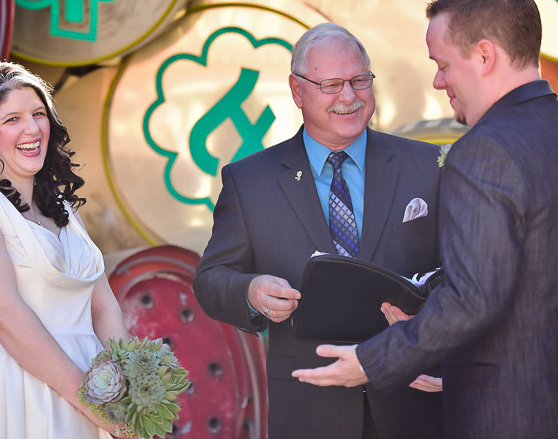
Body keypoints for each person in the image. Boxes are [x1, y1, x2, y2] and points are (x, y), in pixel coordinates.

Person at [292, 1, 558, 438]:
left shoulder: (483, 151)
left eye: (443, 64)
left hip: (509, 415)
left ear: (485, 55)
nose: (438, 81)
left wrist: (371, 360)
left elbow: (474, 299)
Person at [194, 23, 444, 439]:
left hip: (413, 398)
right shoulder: (249, 181)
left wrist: (433, 337)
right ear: (297, 91)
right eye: (331, 84)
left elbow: (463, 273)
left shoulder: (427, 165)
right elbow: (210, 280)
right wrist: (252, 292)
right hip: (310, 410)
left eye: (359, 80)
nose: (349, 97)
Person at [0, 61, 129, 438]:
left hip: (97, 390)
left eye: (38, 113)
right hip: (23, 390)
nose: (32, 129)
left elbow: (103, 303)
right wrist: (91, 403)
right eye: (12, 119)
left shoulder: (62, 207)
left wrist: (128, 383)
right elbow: (1, 314)